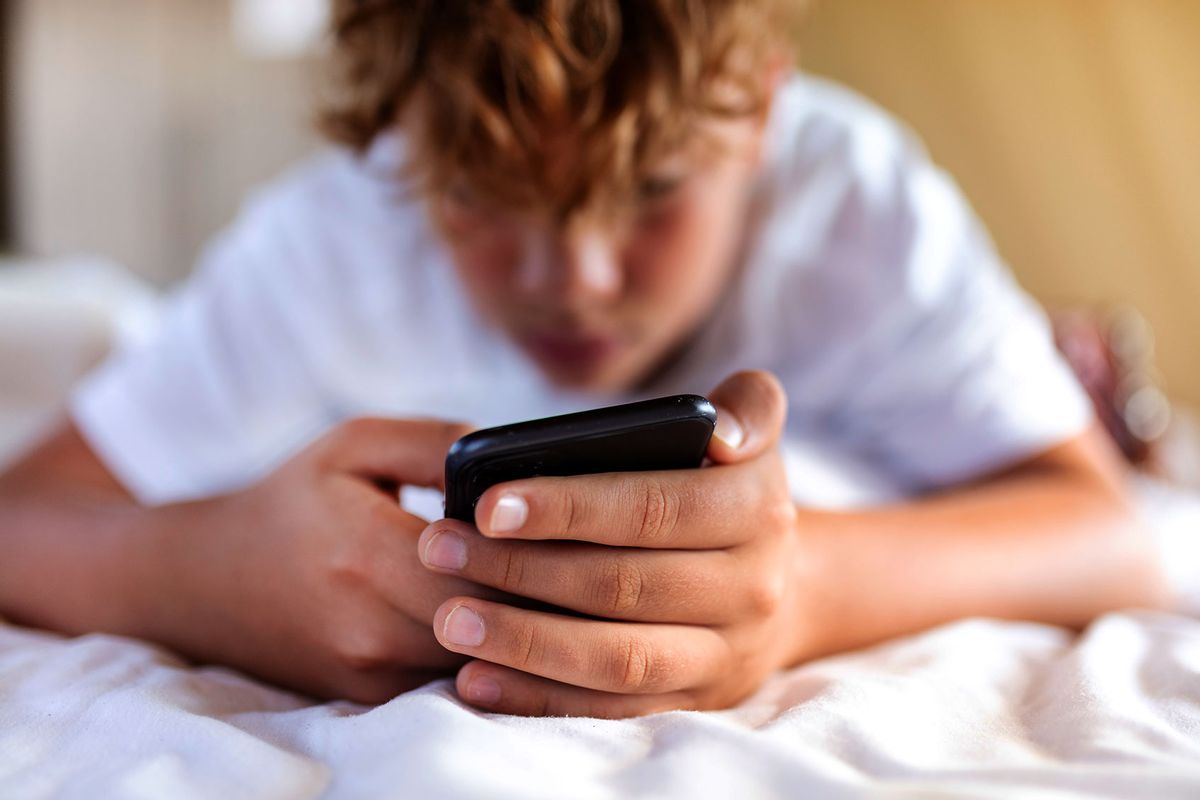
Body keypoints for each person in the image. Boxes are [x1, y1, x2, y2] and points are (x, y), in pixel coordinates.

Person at [0, 0, 1165, 718]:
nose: (576, 278)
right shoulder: (336, 232)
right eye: (486, 196)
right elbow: (25, 517)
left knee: (1083, 400)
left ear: (761, 108)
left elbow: (1112, 531)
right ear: (408, 129)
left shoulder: (854, 203)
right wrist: (205, 573)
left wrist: (806, 590)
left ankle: (1073, 357)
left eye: (653, 190)